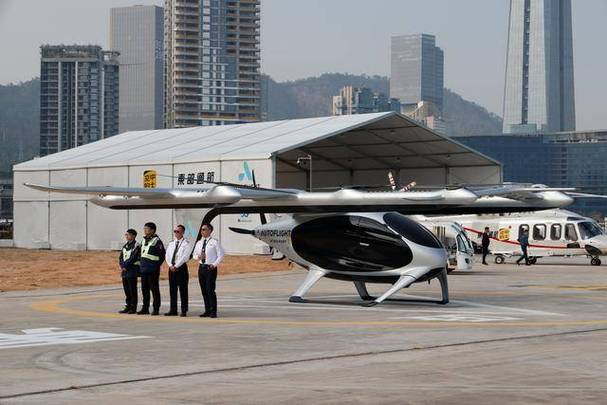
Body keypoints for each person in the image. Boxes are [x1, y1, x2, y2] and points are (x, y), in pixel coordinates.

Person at [193, 223, 224, 318]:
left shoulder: (214, 242)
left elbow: (221, 255)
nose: (202, 231)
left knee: (210, 290)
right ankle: (207, 309)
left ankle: (213, 311)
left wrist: (214, 265)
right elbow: (194, 255)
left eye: (204, 229)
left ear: (210, 230)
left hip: (210, 268)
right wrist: (198, 257)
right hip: (201, 267)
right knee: (204, 290)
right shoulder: (199, 243)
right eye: (201, 230)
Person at [138, 222, 165, 315]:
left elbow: (162, 256)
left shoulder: (157, 241)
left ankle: (156, 308)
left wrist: (155, 266)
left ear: (152, 230)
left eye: (147, 228)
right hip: (144, 270)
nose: (145, 230)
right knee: (144, 289)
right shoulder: (143, 240)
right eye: (144, 228)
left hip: (152, 270)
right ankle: (145, 308)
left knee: (154, 289)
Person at [164, 224, 191, 317]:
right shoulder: (171, 243)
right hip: (171, 268)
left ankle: (184, 310)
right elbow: (167, 255)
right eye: (175, 231)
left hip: (181, 268)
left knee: (183, 290)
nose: (176, 233)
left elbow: (185, 257)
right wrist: (170, 265)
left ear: (183, 232)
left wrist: (176, 265)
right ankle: (173, 310)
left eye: (178, 231)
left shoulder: (186, 244)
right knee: (172, 290)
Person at [118, 228, 140, 314]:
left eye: (128, 235)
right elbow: (121, 257)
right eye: (126, 235)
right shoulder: (125, 246)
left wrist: (126, 265)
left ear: (133, 236)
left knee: (132, 290)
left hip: (132, 271)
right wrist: (122, 265)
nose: (126, 236)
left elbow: (134, 257)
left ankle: (133, 307)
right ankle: (128, 305)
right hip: (125, 271)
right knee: (126, 290)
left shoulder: (136, 245)